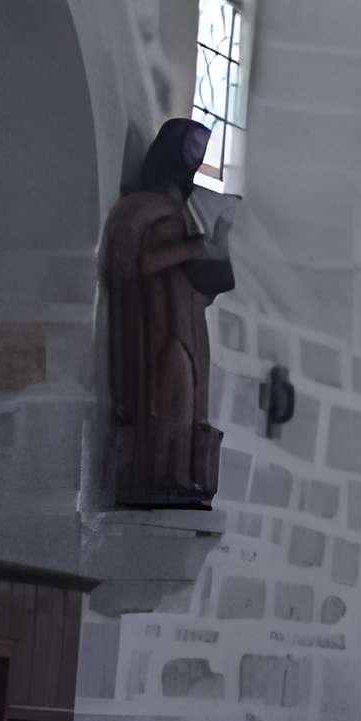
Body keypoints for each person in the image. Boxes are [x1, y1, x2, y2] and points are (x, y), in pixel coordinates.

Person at [100, 118, 236, 507]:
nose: (198, 158)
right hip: (157, 321)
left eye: (203, 151)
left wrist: (221, 235)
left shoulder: (183, 214)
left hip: (188, 320)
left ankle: (182, 479)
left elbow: (209, 280)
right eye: (193, 148)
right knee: (167, 397)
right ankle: (156, 477)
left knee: (190, 401)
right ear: (171, 150)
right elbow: (135, 263)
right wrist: (194, 248)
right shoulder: (143, 209)